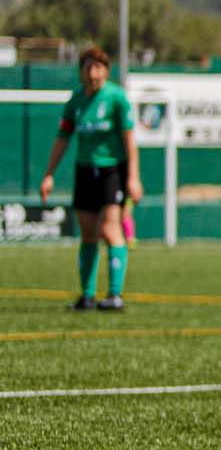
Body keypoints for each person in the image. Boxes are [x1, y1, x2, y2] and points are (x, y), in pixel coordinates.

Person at [38, 46, 142, 311]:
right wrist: (49, 174)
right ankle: (87, 296)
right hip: (84, 171)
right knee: (87, 234)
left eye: (98, 67)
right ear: (81, 71)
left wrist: (133, 178)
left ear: (106, 70)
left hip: (111, 171)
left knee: (110, 229)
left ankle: (115, 295)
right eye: (88, 68)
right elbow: (62, 138)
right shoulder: (76, 100)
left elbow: (129, 141)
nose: (93, 73)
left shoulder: (117, 98)